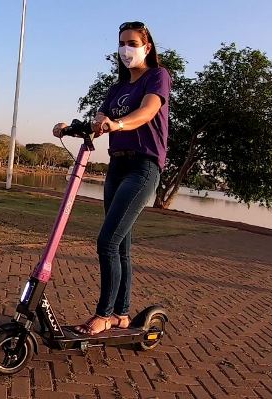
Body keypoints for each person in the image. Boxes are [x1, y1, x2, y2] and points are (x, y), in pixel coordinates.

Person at [53, 21, 171, 335]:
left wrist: (117, 125)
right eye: (122, 43)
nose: (125, 49)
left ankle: (103, 315)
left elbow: (147, 112)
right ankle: (120, 314)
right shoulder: (117, 88)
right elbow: (98, 123)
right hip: (116, 167)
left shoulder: (157, 77)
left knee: (107, 241)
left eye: (132, 43)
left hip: (143, 167)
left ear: (147, 47)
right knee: (122, 246)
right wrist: (70, 128)